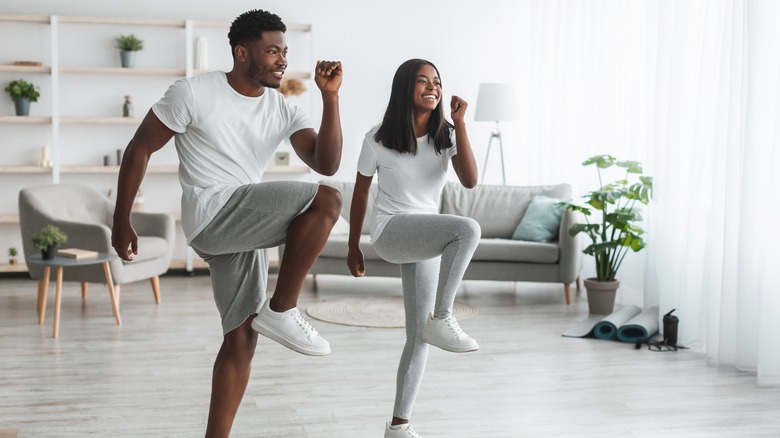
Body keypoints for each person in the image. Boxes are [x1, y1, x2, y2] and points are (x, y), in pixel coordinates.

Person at [110, 9, 343, 438]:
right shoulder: (194, 93)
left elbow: (326, 162)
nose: (282, 60)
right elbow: (140, 147)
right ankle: (282, 309)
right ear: (241, 52)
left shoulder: (281, 108)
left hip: (242, 226)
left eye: (285, 52)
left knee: (240, 338)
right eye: (272, 50)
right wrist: (120, 219)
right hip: (214, 213)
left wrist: (330, 98)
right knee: (326, 202)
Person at [347, 58, 481, 438]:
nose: (432, 87)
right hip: (390, 231)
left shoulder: (447, 135)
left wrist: (463, 126)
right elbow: (359, 192)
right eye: (422, 81)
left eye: (436, 81)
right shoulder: (378, 137)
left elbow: (470, 181)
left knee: (418, 337)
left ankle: (399, 426)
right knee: (467, 229)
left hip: (422, 236)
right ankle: (443, 316)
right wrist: (354, 244)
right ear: (405, 88)